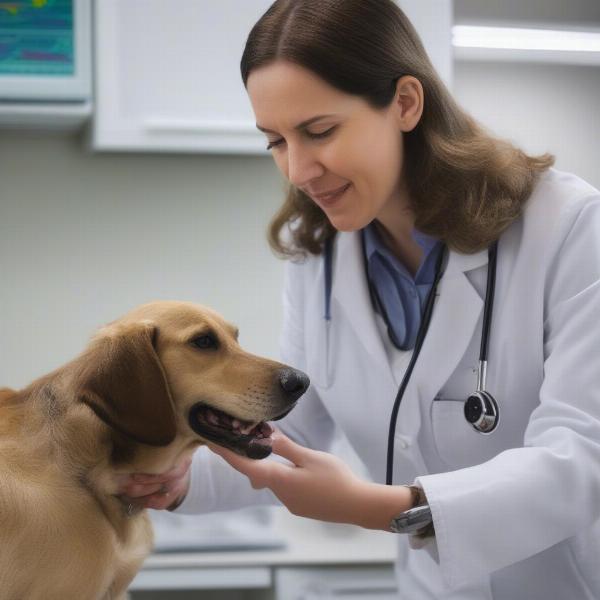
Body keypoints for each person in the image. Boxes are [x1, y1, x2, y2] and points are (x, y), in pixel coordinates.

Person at [119, 1, 600, 597]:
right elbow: (293, 431)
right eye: (275, 141)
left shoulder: (569, 226)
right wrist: (177, 480)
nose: (296, 170)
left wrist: (384, 508)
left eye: (319, 132)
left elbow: (583, 457)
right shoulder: (317, 253)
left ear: (405, 103)